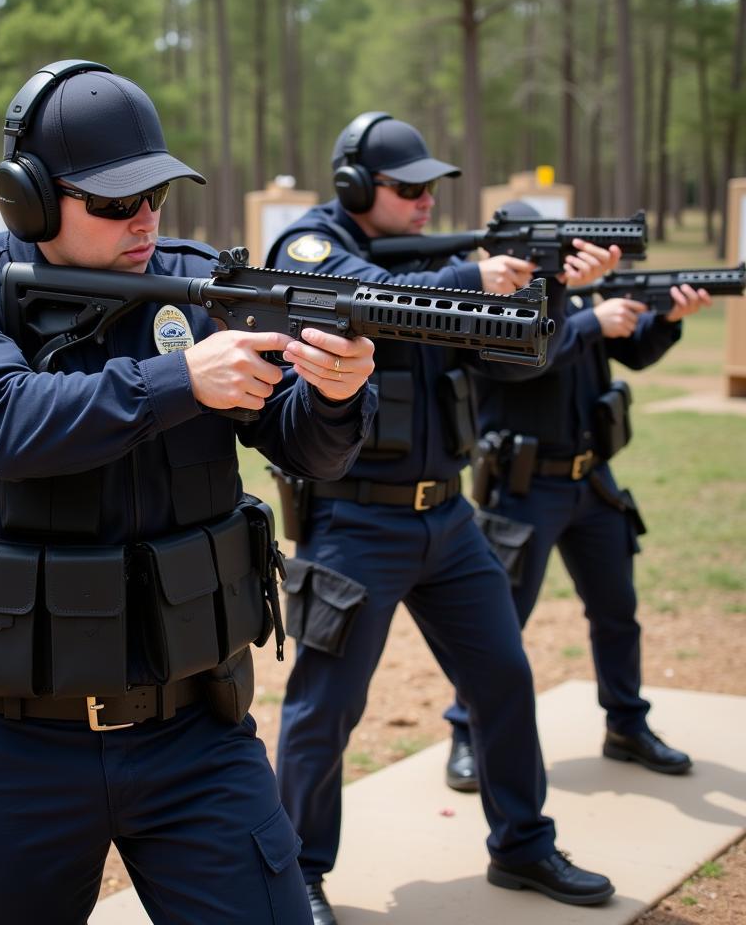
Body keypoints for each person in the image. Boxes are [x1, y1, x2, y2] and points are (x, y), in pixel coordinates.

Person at [0, 59, 377, 924]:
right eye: (116, 202)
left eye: (156, 195)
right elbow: (7, 425)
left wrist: (337, 395)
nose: (145, 220)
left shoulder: (200, 288)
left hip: (196, 729)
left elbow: (309, 449)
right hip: (17, 743)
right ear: (29, 199)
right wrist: (178, 382)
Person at [269, 112, 621, 922]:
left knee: (503, 679)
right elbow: (368, 300)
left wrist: (549, 283)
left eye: (433, 188)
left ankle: (524, 846)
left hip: (449, 519)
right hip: (355, 522)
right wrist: (475, 278)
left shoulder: (445, 260)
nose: (427, 201)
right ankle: (299, 874)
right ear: (357, 186)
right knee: (325, 709)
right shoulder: (309, 244)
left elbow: (518, 356)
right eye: (410, 187)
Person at [443, 198, 709, 795]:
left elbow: (632, 350)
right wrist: (591, 318)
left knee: (617, 611)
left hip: (591, 481)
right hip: (522, 486)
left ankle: (626, 724)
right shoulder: (490, 299)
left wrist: (664, 321)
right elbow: (524, 359)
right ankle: (465, 730)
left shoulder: (574, 288)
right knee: (497, 626)